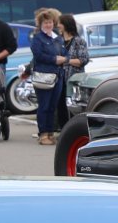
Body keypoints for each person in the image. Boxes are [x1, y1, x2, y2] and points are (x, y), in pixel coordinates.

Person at [29, 8, 67, 145]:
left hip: (58, 76)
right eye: (45, 23)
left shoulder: (57, 38)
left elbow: (65, 52)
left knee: (52, 106)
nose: (48, 25)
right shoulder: (37, 38)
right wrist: (54, 59)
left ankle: (50, 133)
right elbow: (38, 55)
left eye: (50, 22)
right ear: (40, 24)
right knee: (44, 105)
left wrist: (65, 58)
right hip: (44, 76)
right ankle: (43, 134)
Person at [55, 12, 91, 130]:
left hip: (74, 80)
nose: (57, 25)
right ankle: (62, 129)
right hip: (58, 79)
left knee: (74, 106)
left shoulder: (79, 42)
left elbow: (83, 60)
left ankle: (75, 130)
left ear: (66, 24)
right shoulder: (57, 41)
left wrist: (65, 60)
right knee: (60, 105)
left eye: (59, 23)